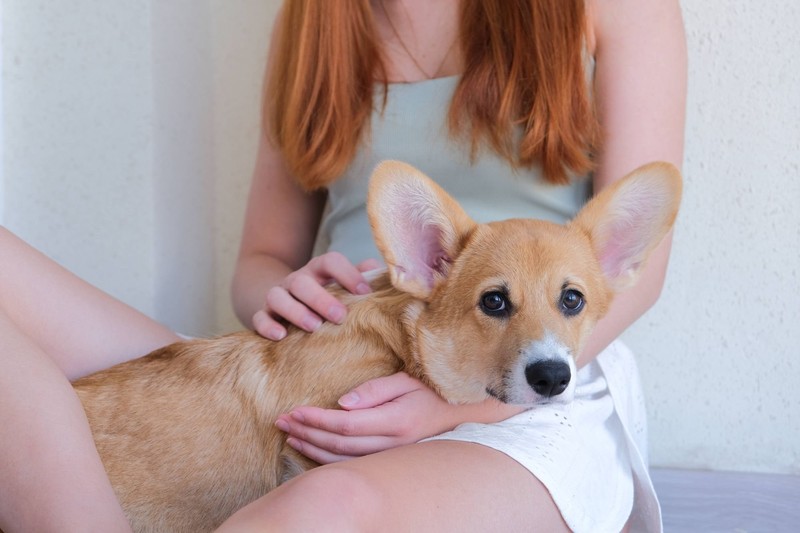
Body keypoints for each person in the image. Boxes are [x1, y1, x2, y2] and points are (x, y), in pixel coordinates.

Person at [0, 0, 685, 532]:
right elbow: (262, 260)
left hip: (533, 388)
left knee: (318, 510)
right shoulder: (315, 20)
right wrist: (284, 292)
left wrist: (452, 404)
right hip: (326, 353)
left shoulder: (619, 9)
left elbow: (638, 276)